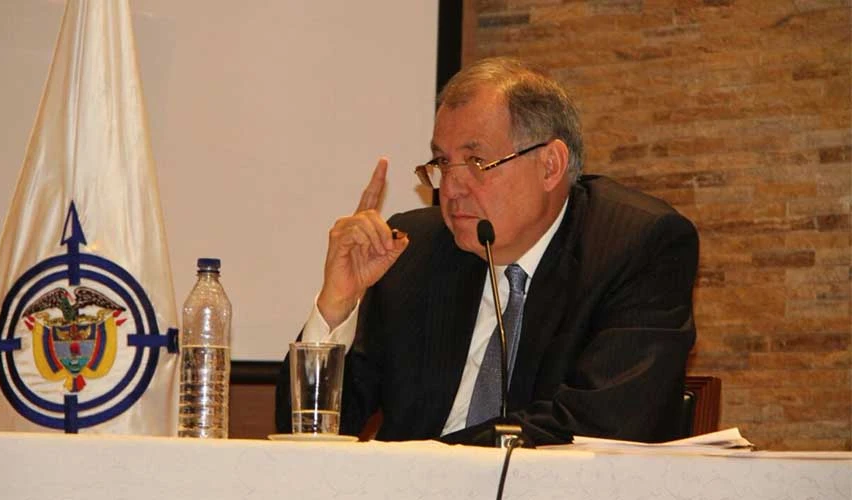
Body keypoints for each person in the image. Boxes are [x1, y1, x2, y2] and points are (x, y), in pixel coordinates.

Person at [275, 57, 698, 446]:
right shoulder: (414, 249)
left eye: (476, 162)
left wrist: (428, 461)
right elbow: (308, 432)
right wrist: (337, 305)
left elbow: (601, 427)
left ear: (550, 165)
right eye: (443, 163)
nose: (451, 188)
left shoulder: (637, 245)